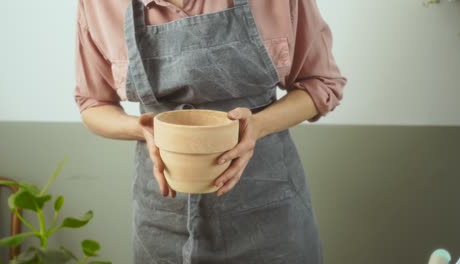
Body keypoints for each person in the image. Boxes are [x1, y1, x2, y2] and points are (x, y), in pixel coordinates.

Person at [74, 0, 347, 263]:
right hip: (161, 220)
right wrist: (140, 127)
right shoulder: (99, 4)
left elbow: (321, 82)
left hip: (268, 212)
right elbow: (93, 103)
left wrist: (258, 125)